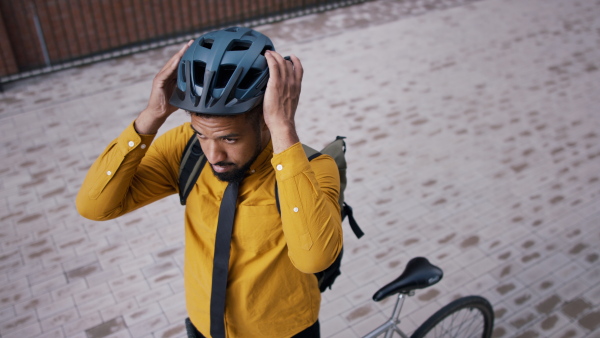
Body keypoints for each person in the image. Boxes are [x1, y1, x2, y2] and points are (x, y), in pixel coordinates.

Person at [76, 27, 343, 338]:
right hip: (202, 327)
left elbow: (315, 258)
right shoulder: (185, 148)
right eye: (202, 134)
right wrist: (153, 114)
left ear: (265, 120)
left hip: (283, 331)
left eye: (230, 138)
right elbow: (94, 206)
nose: (213, 153)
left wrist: (284, 127)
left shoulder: (314, 169)